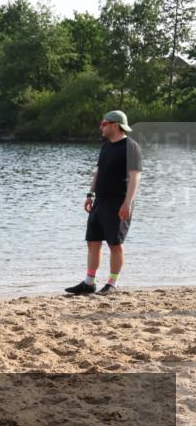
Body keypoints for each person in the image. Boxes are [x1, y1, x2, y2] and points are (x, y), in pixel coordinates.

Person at [65, 110, 142, 296]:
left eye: (104, 123)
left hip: (118, 202)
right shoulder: (106, 146)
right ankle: (89, 283)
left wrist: (127, 203)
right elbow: (98, 172)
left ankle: (112, 284)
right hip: (100, 201)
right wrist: (90, 194)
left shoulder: (131, 147)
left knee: (115, 243)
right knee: (93, 242)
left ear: (116, 125)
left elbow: (135, 177)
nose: (101, 126)